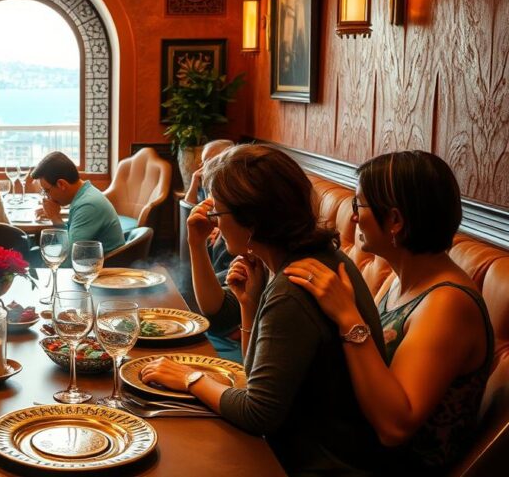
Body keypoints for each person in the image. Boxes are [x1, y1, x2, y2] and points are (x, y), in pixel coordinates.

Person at [140, 144, 388, 475]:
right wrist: (249, 305)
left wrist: (189, 377)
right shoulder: (305, 257)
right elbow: (253, 371)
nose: (214, 222)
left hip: (315, 463)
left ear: (252, 220)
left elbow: (258, 413)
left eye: (219, 212)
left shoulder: (294, 286)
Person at [283, 151, 493, 474]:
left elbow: (395, 427)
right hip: (355, 453)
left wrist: (348, 316)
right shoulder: (401, 281)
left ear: (395, 220)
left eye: (359, 206)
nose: (354, 218)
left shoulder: (448, 303)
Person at [180, 139, 241, 362]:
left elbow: (219, 316)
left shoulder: (271, 263)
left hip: (228, 341)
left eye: (219, 212)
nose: (215, 220)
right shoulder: (254, 260)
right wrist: (196, 243)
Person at [31, 151, 124, 254]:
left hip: (106, 263)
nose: (47, 197)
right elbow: (71, 238)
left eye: (47, 191)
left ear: (61, 184)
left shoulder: (88, 205)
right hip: (88, 259)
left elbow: (69, 257)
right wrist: (54, 216)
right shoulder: (84, 194)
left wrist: (55, 217)